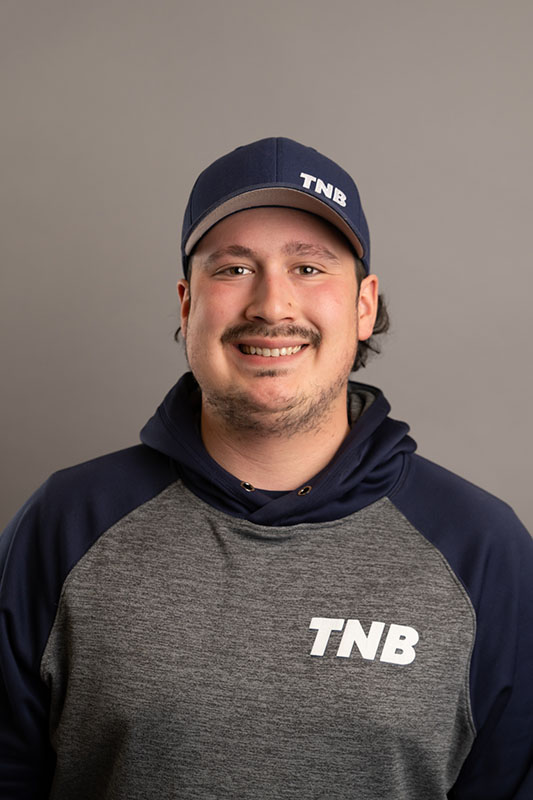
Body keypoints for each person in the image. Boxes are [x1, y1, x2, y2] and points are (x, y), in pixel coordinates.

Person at [1, 137, 531, 800]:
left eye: (308, 268)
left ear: (364, 305)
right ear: (187, 303)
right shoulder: (67, 523)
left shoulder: (480, 547)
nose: (271, 305)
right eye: (233, 269)